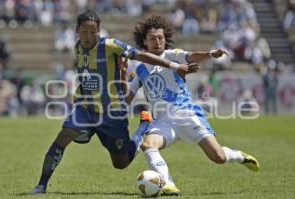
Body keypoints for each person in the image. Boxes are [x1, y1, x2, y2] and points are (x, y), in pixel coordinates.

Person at [30, 10, 196, 195]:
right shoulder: (78, 47)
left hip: (113, 113)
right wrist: (79, 91)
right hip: (87, 109)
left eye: (93, 31)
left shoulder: (111, 45)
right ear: (77, 30)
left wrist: (173, 65)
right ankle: (41, 186)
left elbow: (141, 55)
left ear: (99, 31)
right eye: (84, 31)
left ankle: (143, 127)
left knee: (121, 163)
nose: (88, 35)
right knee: (63, 136)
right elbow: (85, 74)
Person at [124, 15, 260, 196]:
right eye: (152, 38)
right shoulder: (139, 68)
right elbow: (127, 98)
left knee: (218, 157)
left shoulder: (172, 55)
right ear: (144, 42)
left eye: (160, 38)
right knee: (148, 145)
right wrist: (121, 75)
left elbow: (191, 56)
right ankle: (168, 184)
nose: (157, 42)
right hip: (162, 122)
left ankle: (237, 155)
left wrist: (211, 54)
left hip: (185, 114)